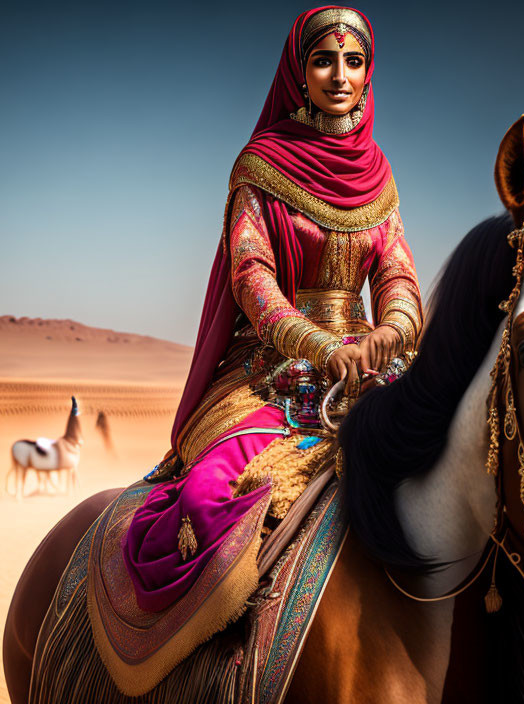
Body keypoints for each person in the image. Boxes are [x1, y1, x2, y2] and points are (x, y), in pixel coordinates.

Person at [121, 6, 422, 615]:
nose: (340, 75)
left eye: (354, 62)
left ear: (368, 74)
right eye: (323, 60)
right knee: (211, 500)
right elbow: (251, 276)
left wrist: (395, 327)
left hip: (369, 365)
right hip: (270, 369)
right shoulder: (261, 165)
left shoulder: (380, 177)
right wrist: (323, 347)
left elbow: (396, 270)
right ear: (298, 72)